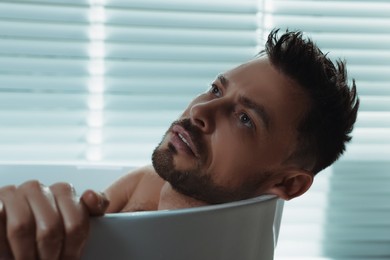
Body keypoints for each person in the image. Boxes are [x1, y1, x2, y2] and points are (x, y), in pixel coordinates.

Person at [0, 29, 359, 259]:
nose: (201, 109)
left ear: (287, 183)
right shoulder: (144, 182)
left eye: (245, 118)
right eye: (217, 89)